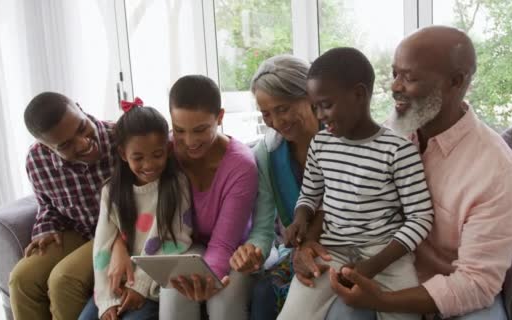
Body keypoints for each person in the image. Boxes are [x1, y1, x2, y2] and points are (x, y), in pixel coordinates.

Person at [325, 26, 512, 320]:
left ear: (456, 82)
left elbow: (476, 284)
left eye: (409, 77)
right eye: (394, 73)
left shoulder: (497, 172)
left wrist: (385, 300)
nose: (394, 86)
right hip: (383, 271)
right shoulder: (387, 135)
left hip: (451, 291)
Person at [277, 47, 434, 320]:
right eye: (315, 107)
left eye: (326, 105)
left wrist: (374, 264)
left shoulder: (398, 150)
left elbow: (420, 217)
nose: (320, 115)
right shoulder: (321, 143)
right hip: (331, 252)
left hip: (387, 258)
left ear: (359, 95)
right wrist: (301, 219)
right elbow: (310, 194)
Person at [109, 75, 259, 319]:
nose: (189, 142)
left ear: (220, 118)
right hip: (183, 245)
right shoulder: (161, 152)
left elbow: (223, 244)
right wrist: (117, 244)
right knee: (175, 288)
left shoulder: (241, 166)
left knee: (222, 302)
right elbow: (132, 200)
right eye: (179, 130)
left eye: (200, 130)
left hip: (235, 248)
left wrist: (205, 280)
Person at [228, 55, 323, 320]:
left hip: (344, 246)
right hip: (297, 252)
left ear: (309, 96)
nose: (277, 122)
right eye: (266, 113)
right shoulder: (266, 155)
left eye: (283, 109)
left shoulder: (341, 138)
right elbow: (263, 227)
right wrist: (254, 251)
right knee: (263, 293)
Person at [78, 101, 193, 320]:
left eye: (157, 155)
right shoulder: (110, 191)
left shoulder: (177, 185)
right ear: (123, 154)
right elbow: (102, 249)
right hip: (118, 284)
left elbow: (178, 240)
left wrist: (139, 285)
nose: (149, 164)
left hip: (152, 287)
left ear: (168, 150)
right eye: (138, 157)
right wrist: (106, 300)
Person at [9, 92, 116, 320]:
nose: (83, 143)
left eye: (81, 127)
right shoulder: (37, 161)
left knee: (63, 279)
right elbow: (47, 205)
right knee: (21, 278)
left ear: (80, 108)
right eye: (65, 144)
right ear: (46, 147)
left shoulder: (122, 139)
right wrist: (45, 229)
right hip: (79, 231)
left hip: (117, 232)